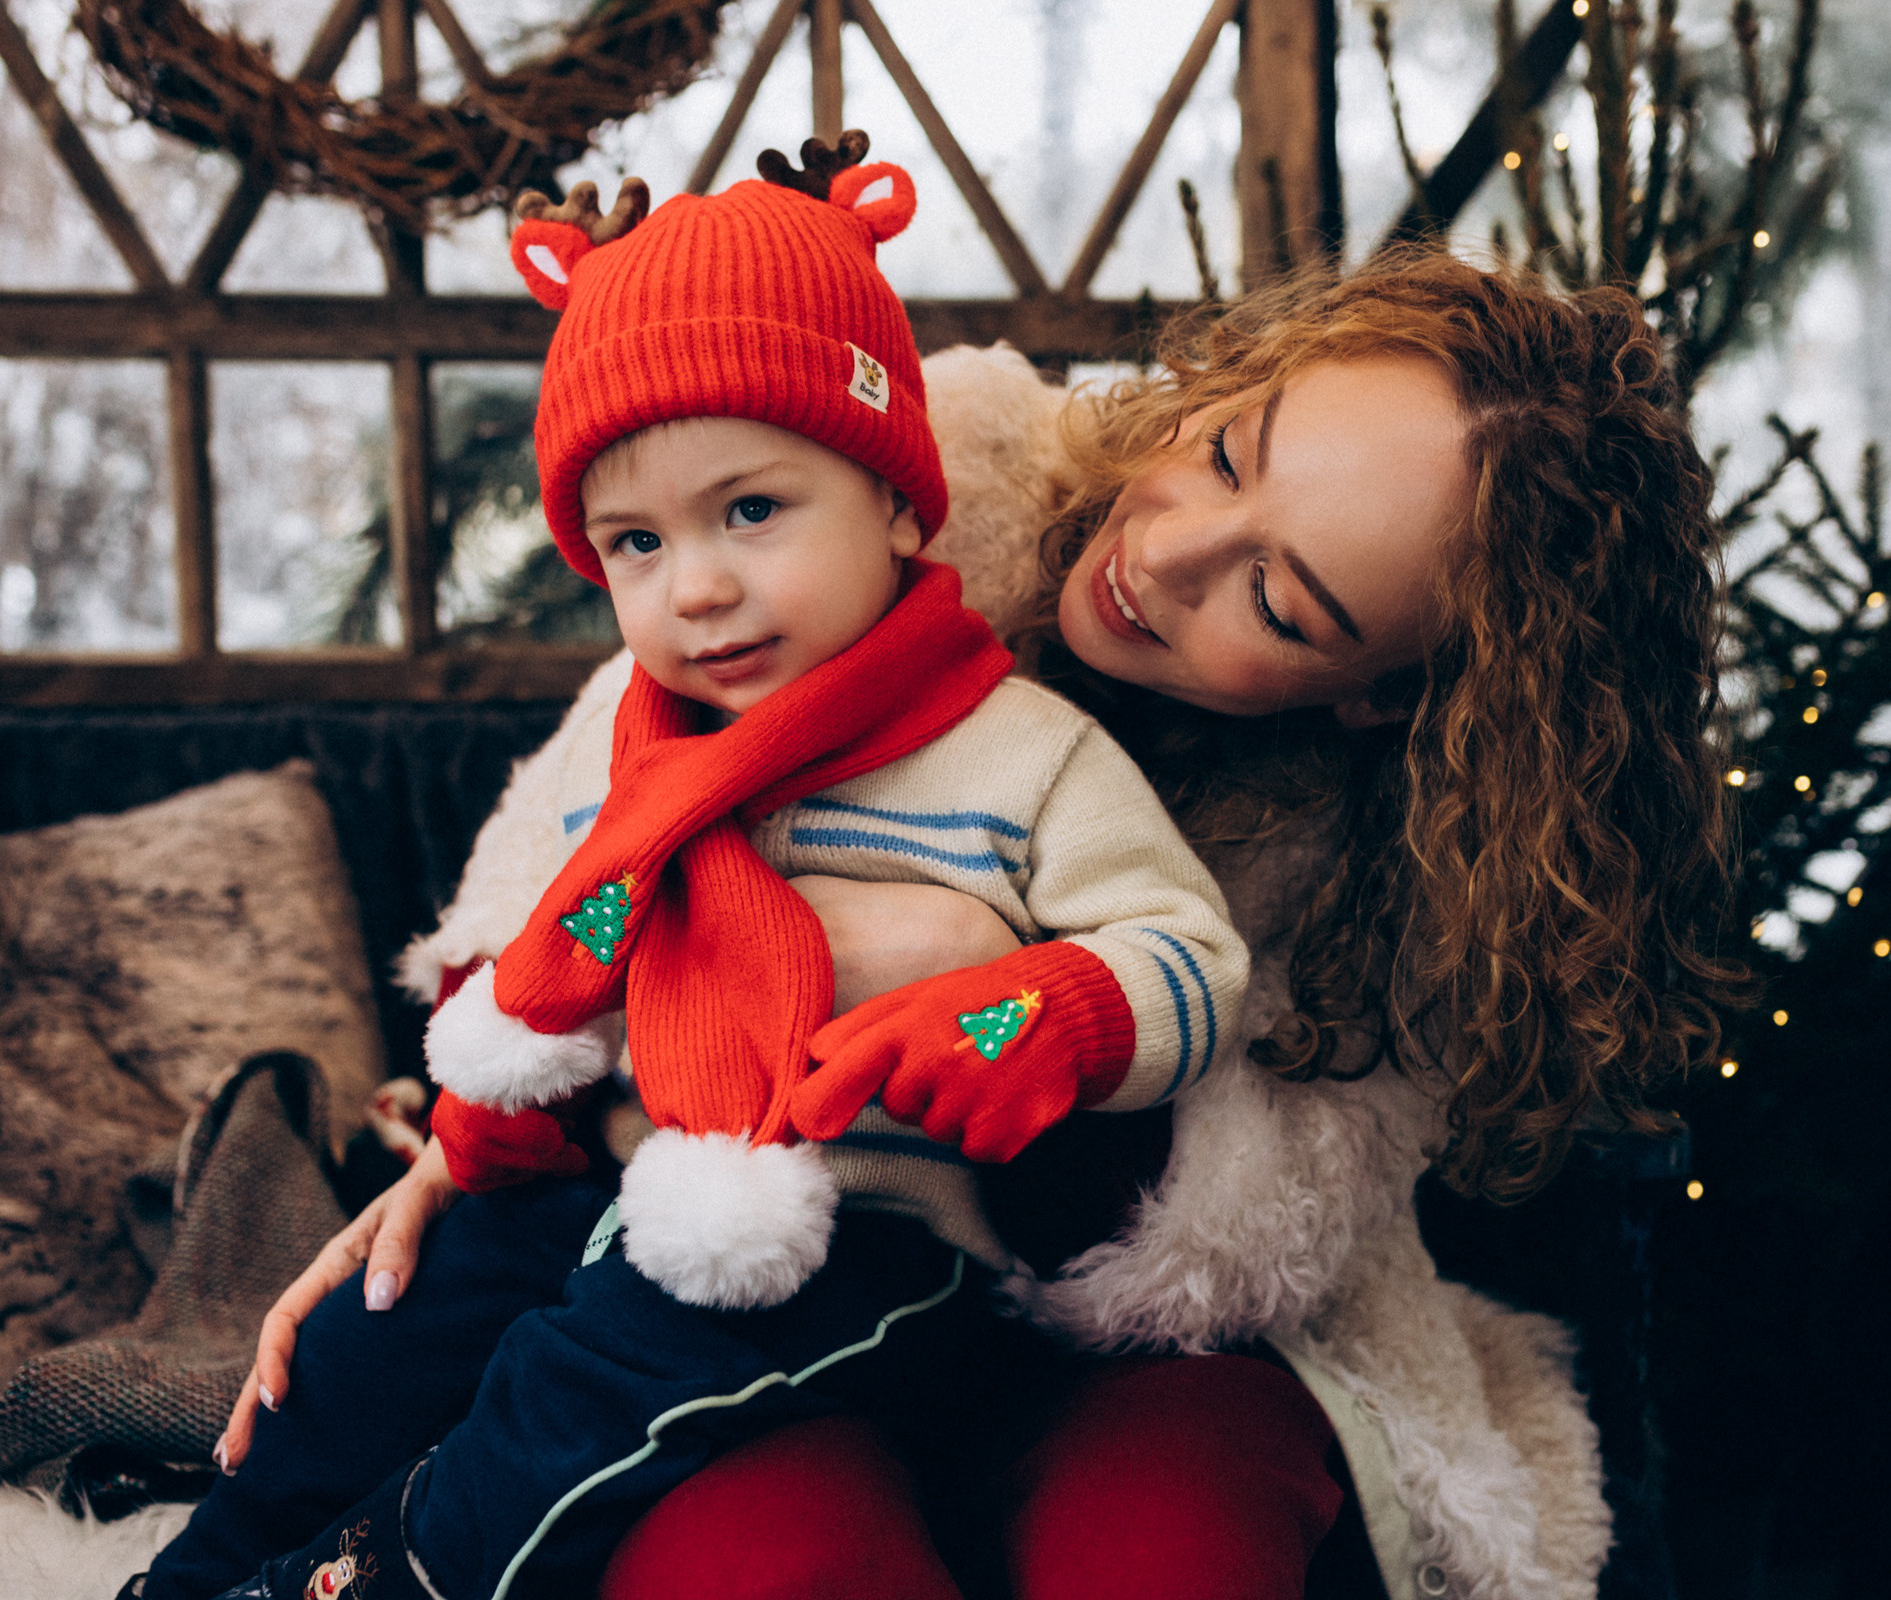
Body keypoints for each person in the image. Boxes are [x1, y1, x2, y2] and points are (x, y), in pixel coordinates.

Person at [218, 238, 1740, 1600]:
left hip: (1139, 1328)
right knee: (763, 1557)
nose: (1165, 557)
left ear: (1384, 693)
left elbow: (1235, 1229)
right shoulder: (923, 454)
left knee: (1160, 1552)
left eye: (1279, 603)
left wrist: (1010, 993)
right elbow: (589, 824)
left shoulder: (1393, 861)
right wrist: (489, 1139)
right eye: (1223, 456)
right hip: (765, 1249)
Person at [131, 135, 1245, 1600]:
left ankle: (373, 1572)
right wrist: (475, 1146)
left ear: (900, 505)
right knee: (385, 1332)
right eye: (636, 543)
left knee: (587, 1389)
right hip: (618, 1186)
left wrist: (1026, 1012)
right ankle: (195, 1571)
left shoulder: (1017, 753)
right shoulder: (637, 752)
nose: (697, 586)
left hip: (865, 1241)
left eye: (754, 512)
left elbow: (1183, 955)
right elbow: (562, 971)